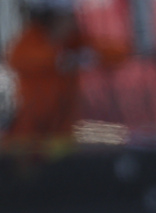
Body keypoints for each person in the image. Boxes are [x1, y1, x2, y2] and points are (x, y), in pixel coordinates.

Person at [3, 0, 128, 163]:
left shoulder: (74, 41)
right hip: (29, 137)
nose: (73, 20)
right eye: (67, 16)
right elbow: (18, 59)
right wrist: (59, 59)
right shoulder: (30, 40)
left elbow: (119, 53)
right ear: (51, 18)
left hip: (61, 135)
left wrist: (91, 55)